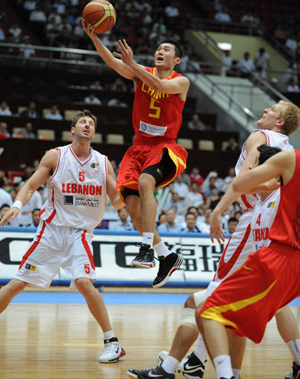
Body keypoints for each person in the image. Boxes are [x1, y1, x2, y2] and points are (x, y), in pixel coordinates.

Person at [127, 101, 300, 379]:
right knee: (270, 303)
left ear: (279, 122)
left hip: (257, 216)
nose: (265, 110)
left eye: (272, 109)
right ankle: (199, 359)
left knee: (208, 301)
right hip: (277, 220)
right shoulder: (289, 150)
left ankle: (178, 367)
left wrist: (218, 210)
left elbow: (243, 179)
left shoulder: (260, 137)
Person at [0, 110, 126, 363]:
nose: (87, 125)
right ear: (73, 129)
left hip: (80, 233)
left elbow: (115, 198)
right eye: (83, 122)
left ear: (94, 131)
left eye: (91, 123)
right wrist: (16, 204)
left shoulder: (102, 162)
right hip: (50, 231)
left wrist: (134, 198)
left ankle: (113, 342)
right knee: (17, 283)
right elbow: (31, 185)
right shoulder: (56, 155)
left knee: (83, 282)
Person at [82, 20, 189, 288]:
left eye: (166, 49)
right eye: (158, 48)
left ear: (176, 60)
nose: (160, 51)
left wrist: (134, 66)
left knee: (145, 183)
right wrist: (95, 38)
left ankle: (146, 249)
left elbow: (160, 87)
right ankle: (167, 256)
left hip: (165, 147)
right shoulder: (140, 73)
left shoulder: (181, 81)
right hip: (138, 146)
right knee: (131, 208)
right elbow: (113, 63)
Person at [197, 146, 300, 379]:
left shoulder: (282, 190)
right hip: (277, 268)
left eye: (254, 166)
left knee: (208, 310)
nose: (249, 168)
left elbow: (239, 184)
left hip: (277, 264)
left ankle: (223, 374)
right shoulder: (257, 206)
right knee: (236, 322)